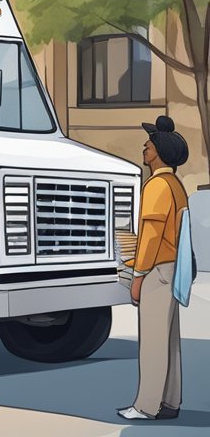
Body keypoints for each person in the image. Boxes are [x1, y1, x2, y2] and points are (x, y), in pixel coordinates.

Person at [119, 116, 191, 421]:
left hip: (157, 270)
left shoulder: (157, 185)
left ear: (159, 150)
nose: (144, 146)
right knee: (169, 339)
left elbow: (150, 235)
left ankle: (146, 406)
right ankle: (171, 401)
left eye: (149, 143)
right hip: (173, 268)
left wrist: (137, 276)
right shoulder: (175, 184)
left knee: (152, 341)